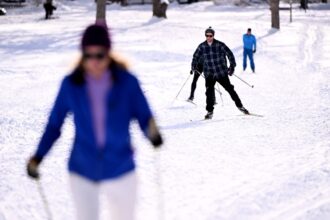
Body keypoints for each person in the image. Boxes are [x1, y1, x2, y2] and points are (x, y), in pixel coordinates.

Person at [26, 24, 163, 220]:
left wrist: (152, 132)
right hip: (83, 168)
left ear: (108, 53)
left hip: (121, 167)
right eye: (88, 55)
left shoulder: (127, 82)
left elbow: (144, 116)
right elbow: (54, 125)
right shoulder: (71, 84)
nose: (94, 61)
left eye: (99, 55)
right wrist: (38, 156)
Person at [191, 27, 249, 119]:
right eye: (207, 35)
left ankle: (240, 106)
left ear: (213, 36)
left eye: (210, 35)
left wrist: (232, 66)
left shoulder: (220, 45)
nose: (209, 37)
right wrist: (193, 66)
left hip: (221, 73)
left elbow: (230, 54)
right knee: (209, 93)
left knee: (230, 90)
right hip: (209, 74)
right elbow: (195, 56)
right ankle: (209, 112)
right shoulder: (202, 46)